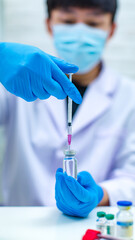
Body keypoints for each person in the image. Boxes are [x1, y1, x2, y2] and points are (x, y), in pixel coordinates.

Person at [0, 0, 135, 217]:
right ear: (49, 24)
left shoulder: (129, 97)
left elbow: (131, 177)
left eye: (93, 23)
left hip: (89, 225)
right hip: (20, 224)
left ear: (111, 30)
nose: (80, 35)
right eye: (68, 21)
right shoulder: (13, 84)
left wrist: (101, 194)